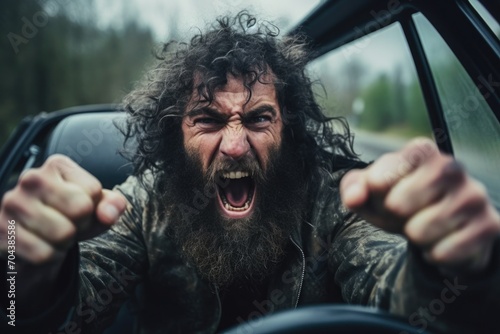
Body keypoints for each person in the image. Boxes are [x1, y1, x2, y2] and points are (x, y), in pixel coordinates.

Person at [1, 11, 499, 334]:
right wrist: (22, 277)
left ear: (292, 130)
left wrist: (453, 270)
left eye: (259, 118)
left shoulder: (334, 203)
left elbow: (401, 298)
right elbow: (27, 314)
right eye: (209, 120)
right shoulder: (144, 205)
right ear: (176, 135)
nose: (236, 146)